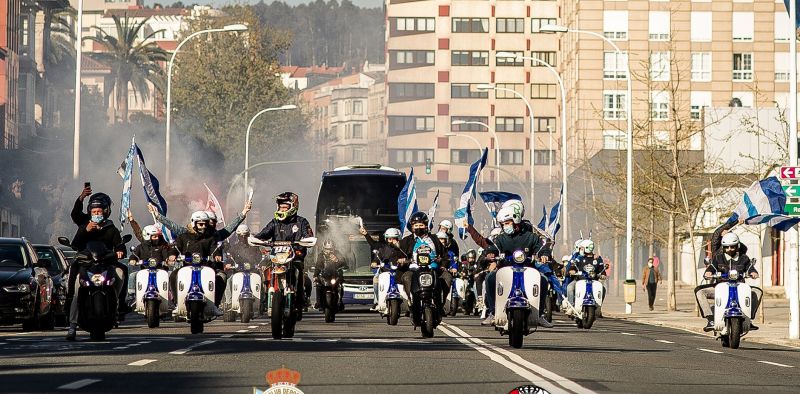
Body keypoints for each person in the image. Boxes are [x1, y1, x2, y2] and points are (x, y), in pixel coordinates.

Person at [468, 206, 553, 328]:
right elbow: (493, 248)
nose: (505, 226)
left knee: (543, 279)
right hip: (505, 269)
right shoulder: (501, 238)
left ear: (516, 220)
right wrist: (490, 253)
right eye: (502, 224)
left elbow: (541, 248)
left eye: (507, 223)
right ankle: (493, 312)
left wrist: (544, 254)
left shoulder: (531, 237)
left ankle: (539, 314)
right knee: (490, 278)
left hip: (527, 269)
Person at [67, 189, 130, 320]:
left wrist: (120, 251)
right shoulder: (84, 224)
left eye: (99, 212)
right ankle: (69, 299)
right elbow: (76, 243)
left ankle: (120, 303)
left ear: (106, 212)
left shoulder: (111, 228)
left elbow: (119, 244)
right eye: (94, 212)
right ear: (90, 211)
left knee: (122, 270)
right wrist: (86, 230)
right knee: (74, 269)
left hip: (106, 263)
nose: (96, 214)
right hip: (86, 263)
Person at [253, 192, 314, 313]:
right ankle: (266, 296)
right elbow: (263, 233)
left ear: (293, 207)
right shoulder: (275, 222)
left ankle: (300, 298)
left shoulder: (301, 222)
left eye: (285, 207)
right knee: (266, 269)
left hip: (295, 256)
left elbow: (308, 235)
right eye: (280, 206)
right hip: (277, 256)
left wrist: (306, 241)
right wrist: (255, 238)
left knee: (299, 270)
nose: (282, 209)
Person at [694, 232, 762, 331]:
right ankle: (710, 319)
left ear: (737, 246)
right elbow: (712, 267)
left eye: (732, 247)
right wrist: (708, 272)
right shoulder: (718, 258)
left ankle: (749, 318)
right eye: (726, 247)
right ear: (723, 247)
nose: (729, 249)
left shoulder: (744, 258)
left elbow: (750, 268)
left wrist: (753, 273)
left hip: (739, 287)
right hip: (720, 287)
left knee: (757, 291)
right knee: (699, 291)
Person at [66, 242, 125, 341]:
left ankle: (118, 301)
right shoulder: (83, 232)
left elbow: (118, 242)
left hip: (106, 264)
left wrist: (120, 250)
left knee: (120, 272)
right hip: (85, 265)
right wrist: (77, 251)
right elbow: (76, 241)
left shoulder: (111, 232)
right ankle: (72, 326)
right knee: (76, 293)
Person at [398, 212, 450, 313]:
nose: (418, 228)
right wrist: (401, 260)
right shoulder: (407, 240)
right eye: (416, 225)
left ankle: (441, 302)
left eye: (421, 225)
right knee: (406, 277)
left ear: (426, 226)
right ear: (412, 227)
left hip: (433, 269)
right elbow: (398, 254)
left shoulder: (434, 239)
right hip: (414, 270)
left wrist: (443, 264)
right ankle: (411, 300)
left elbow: (445, 255)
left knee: (447, 277)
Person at [360, 226, 405, 310]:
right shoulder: (383, 248)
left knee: (409, 279)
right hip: (385, 272)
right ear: (386, 239)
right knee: (376, 279)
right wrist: (374, 262)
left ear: (398, 239)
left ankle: (410, 302)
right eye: (389, 239)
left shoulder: (402, 249)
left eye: (394, 238)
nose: (392, 240)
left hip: (400, 271)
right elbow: (377, 257)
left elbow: (407, 257)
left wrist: (405, 260)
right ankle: (378, 301)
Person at [565, 239, 607, 309]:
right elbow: (572, 267)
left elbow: (602, 270)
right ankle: (571, 307)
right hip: (579, 280)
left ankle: (598, 307)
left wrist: (603, 275)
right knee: (570, 288)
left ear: (587, 248)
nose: (581, 250)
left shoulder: (597, 258)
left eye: (582, 248)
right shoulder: (579, 258)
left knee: (603, 289)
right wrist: (572, 270)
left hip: (593, 281)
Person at [313, 240, 349, 311]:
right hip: (325, 276)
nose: (328, 251)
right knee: (318, 285)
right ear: (324, 248)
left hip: (335, 275)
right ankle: (319, 302)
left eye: (330, 249)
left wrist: (337, 261)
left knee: (340, 285)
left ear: (333, 248)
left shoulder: (337, 254)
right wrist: (315, 275)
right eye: (326, 249)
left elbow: (344, 263)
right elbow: (317, 266)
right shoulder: (321, 255)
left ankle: (340, 301)